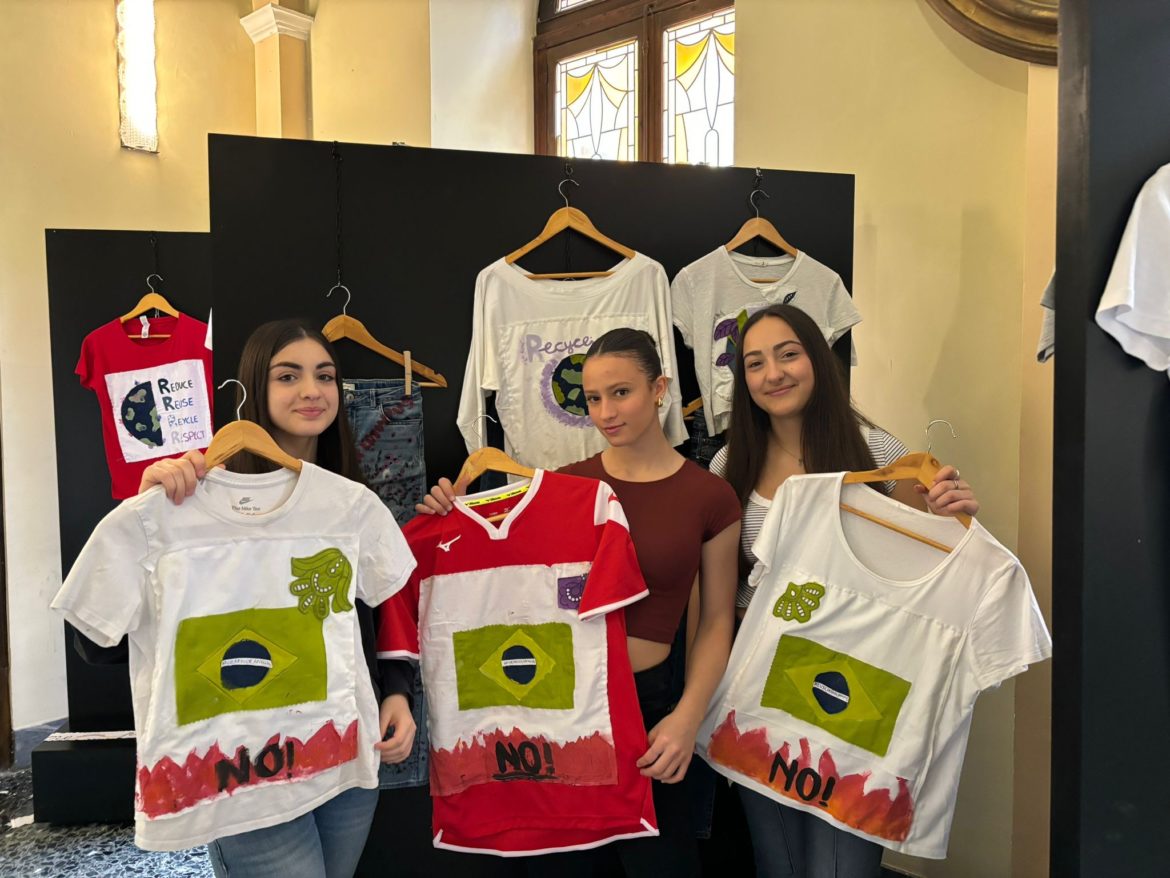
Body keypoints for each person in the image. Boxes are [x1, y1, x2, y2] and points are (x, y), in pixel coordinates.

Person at [417, 328, 741, 877]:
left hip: (653, 708)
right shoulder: (565, 487)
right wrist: (449, 514)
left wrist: (688, 717)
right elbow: (506, 587)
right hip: (561, 706)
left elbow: (714, 622)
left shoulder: (708, 495)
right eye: (592, 398)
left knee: (663, 863)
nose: (606, 412)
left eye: (621, 392)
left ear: (659, 389)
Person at [139, 318, 417, 878]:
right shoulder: (187, 494)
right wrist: (146, 518)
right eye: (288, 376)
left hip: (341, 745)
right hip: (243, 763)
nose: (312, 391)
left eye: (325, 376)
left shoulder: (351, 497)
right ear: (254, 388)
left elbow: (379, 606)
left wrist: (396, 690)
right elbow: (96, 641)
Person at [709, 303, 979, 878]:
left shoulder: (875, 451)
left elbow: (933, 562)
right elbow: (720, 595)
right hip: (759, 690)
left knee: (841, 868)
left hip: (855, 690)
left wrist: (950, 513)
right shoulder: (731, 464)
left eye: (788, 354)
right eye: (755, 363)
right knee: (778, 865)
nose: (773, 373)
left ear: (817, 359)